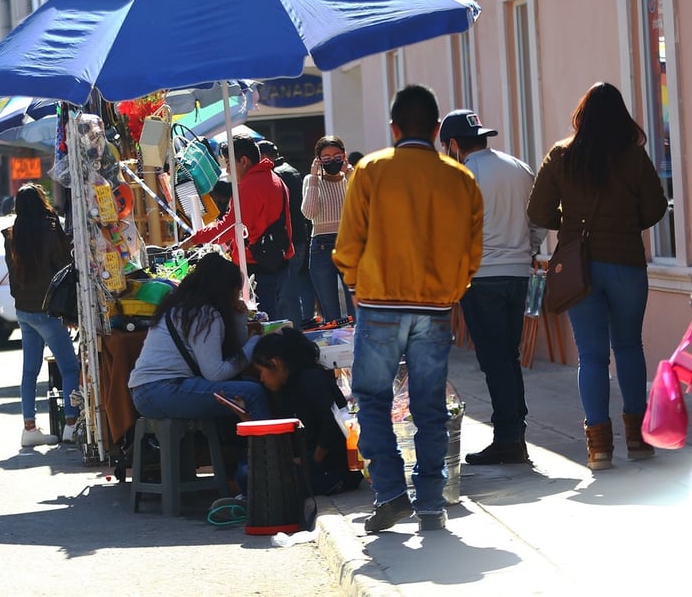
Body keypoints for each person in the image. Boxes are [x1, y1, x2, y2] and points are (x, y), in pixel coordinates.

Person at [334, 84, 484, 533]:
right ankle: (432, 502)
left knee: (373, 399)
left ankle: (391, 492)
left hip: (380, 303)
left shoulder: (371, 170)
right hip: (436, 307)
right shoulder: (461, 178)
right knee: (429, 406)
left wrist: (356, 283)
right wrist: (452, 289)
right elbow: (473, 251)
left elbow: (348, 244)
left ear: (394, 127)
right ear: (438, 129)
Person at [527, 82, 668, 471]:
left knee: (591, 355)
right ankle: (639, 440)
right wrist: (626, 223)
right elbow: (657, 208)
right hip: (625, 262)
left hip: (579, 265)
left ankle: (599, 449)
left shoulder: (561, 155)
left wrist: (569, 225)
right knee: (628, 347)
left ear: (582, 116)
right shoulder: (634, 157)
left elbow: (538, 213)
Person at [439, 109, 546, 466]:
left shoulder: (462, 174)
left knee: (495, 360)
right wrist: (526, 248)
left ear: (453, 144)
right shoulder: (518, 167)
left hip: (481, 276)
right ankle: (514, 435)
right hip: (518, 273)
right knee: (508, 357)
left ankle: (508, 438)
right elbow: (540, 218)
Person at [128, 253, 270, 421]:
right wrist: (254, 343)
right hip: (163, 389)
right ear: (224, 291)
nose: (237, 297)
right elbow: (216, 373)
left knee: (250, 384)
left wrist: (238, 317)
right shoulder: (204, 314)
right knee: (253, 393)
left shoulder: (182, 307)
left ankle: (251, 444)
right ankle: (268, 444)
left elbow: (232, 357)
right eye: (236, 292)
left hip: (149, 391)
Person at [2, 183, 81, 447]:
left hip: (24, 310)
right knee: (69, 367)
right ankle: (71, 424)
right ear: (41, 202)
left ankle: (29, 428)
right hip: (48, 310)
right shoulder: (50, 228)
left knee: (30, 372)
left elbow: (14, 279)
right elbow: (64, 269)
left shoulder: (12, 235)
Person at [186, 134, 293, 321]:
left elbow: (230, 227)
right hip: (279, 260)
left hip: (258, 265)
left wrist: (195, 239)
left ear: (243, 161)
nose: (227, 169)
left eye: (228, 162)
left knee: (264, 325)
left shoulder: (250, 185)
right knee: (277, 321)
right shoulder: (274, 178)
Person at [251, 328, 364, 496]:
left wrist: (313, 460)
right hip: (315, 466)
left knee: (259, 480)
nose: (261, 379)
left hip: (335, 470)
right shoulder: (288, 387)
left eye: (261, 372)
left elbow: (331, 421)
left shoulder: (310, 379)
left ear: (275, 363)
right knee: (250, 474)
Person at [258, 140, 315, 327]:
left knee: (288, 296)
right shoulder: (290, 170)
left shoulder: (278, 174)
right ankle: (302, 325)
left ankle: (295, 335)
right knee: (298, 288)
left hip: (289, 240)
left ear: (265, 156)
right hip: (299, 237)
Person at [302, 135, 354, 322]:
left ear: (344, 155)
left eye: (337, 156)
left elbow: (365, 207)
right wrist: (315, 178)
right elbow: (309, 213)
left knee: (356, 308)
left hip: (349, 243)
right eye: (326, 157)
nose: (332, 160)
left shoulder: (352, 176)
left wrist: (349, 173)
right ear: (318, 160)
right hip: (321, 246)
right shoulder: (311, 180)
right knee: (330, 312)